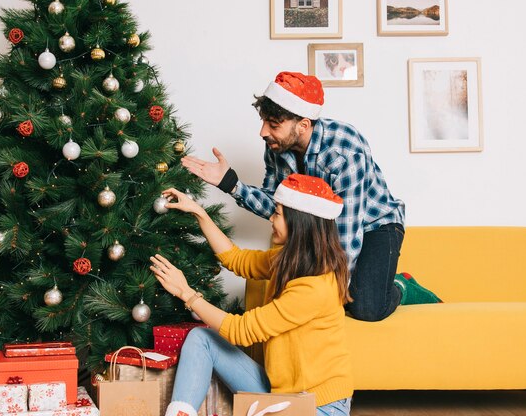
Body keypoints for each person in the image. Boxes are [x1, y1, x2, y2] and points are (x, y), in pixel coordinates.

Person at [108, 173, 353, 416]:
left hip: (319, 411)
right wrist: (199, 212)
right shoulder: (288, 261)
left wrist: (187, 293)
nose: (271, 220)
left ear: (300, 224)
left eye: (277, 214)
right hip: (279, 393)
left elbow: (242, 331)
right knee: (201, 339)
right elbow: (236, 259)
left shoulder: (315, 287)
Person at [181, 71, 440, 321]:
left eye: (273, 125)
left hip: (375, 224)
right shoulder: (276, 147)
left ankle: (401, 286)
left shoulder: (344, 150)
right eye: (263, 122)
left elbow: (347, 235)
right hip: (323, 230)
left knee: (365, 308)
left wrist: (330, 294)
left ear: (303, 125)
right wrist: (231, 184)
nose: (262, 132)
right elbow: (277, 206)